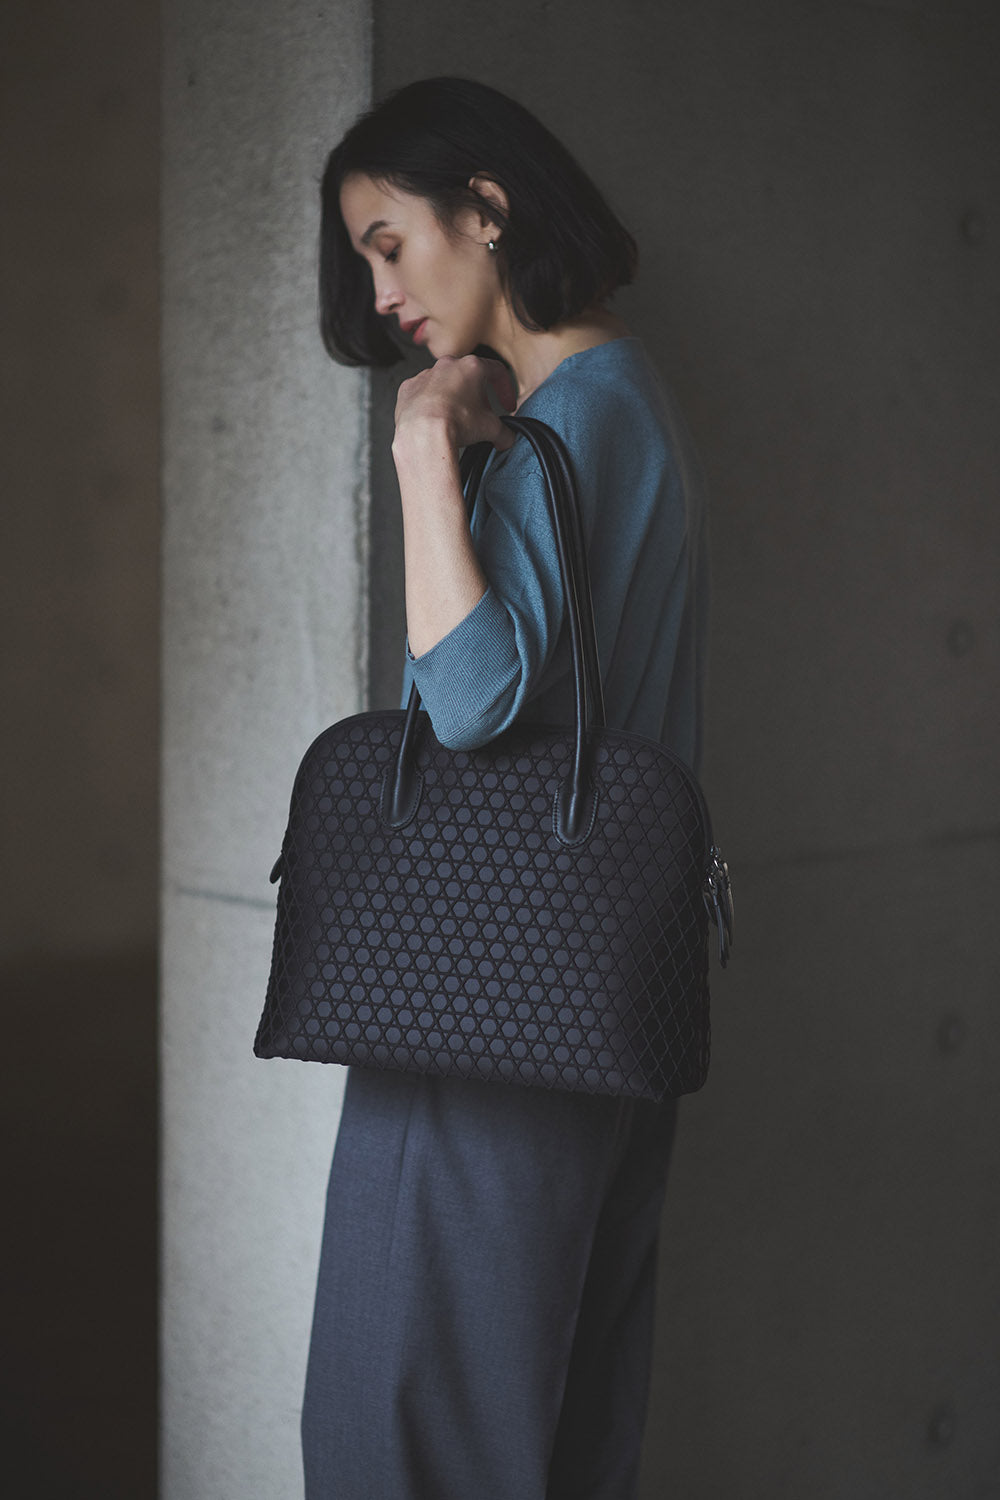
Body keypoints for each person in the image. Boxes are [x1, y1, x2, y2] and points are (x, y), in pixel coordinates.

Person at [300, 77, 708, 1500]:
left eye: (389, 241)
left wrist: (425, 443)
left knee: (402, 1430)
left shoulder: (566, 420)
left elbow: (472, 704)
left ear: (487, 207)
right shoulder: (633, 398)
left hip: (483, 1003)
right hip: (601, 996)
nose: (381, 289)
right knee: (562, 1424)